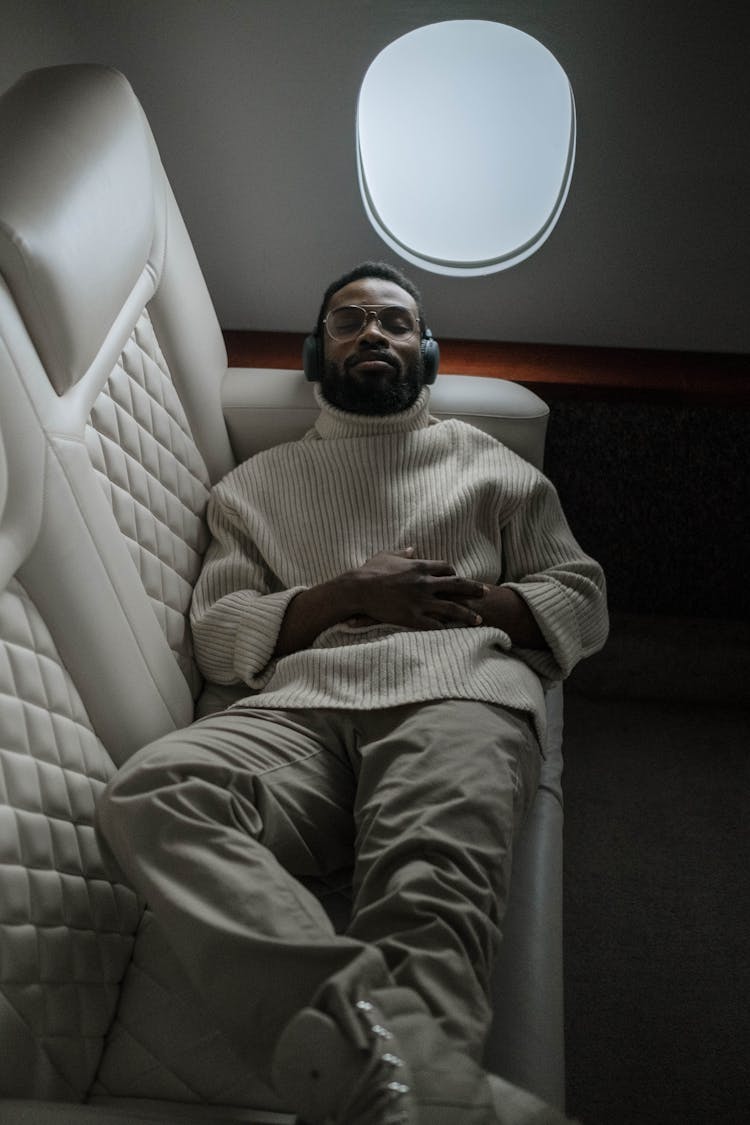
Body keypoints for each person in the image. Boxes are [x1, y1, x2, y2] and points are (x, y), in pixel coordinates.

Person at [96, 262, 608, 1124]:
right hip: (298, 712)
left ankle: (395, 1086)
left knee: (427, 897)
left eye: (396, 322)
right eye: (350, 321)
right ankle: (402, 1066)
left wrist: (451, 605)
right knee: (150, 794)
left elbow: (582, 598)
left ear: (427, 352)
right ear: (314, 353)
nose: (374, 333)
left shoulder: (493, 468)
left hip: (458, 690)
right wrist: (348, 594)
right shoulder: (252, 489)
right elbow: (219, 633)